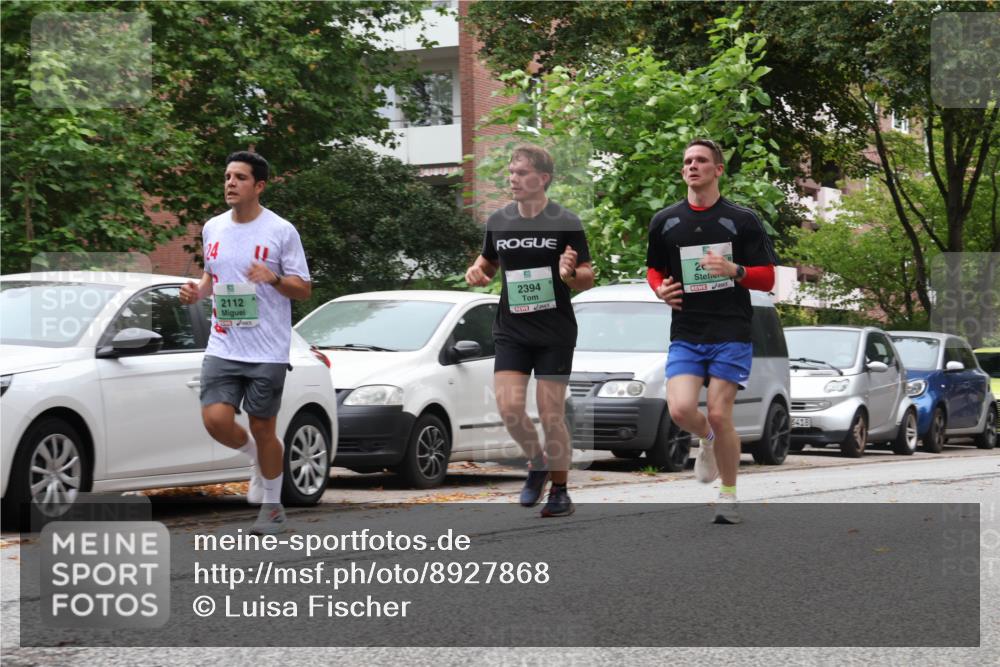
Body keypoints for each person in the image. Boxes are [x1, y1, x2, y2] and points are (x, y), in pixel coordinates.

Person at [645, 139, 778, 524]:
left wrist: (735, 271)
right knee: (682, 409)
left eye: (701, 160)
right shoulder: (665, 221)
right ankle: (706, 442)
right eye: (687, 160)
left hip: (731, 330)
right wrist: (659, 289)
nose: (692, 166)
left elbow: (768, 276)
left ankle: (729, 494)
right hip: (687, 330)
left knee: (720, 413)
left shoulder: (742, 220)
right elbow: (654, 269)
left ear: (718, 170)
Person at [180, 151, 312, 535]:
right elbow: (211, 279)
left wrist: (272, 278)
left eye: (239, 177)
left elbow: (302, 289)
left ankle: (272, 508)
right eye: (227, 177)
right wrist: (197, 293)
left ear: (259, 186)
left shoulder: (281, 231)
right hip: (223, 344)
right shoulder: (213, 228)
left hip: (267, 349)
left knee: (263, 426)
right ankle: (256, 458)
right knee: (215, 420)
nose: (230, 183)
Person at [465, 145, 594, 517]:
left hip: (554, 331)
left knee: (550, 411)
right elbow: (487, 263)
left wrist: (570, 273)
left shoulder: (565, 222)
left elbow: (586, 277)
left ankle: (560, 490)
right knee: (508, 407)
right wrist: (477, 273)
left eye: (522, 173)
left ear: (543, 178)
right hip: (512, 329)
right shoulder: (499, 221)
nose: (513, 179)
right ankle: (537, 462)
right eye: (511, 172)